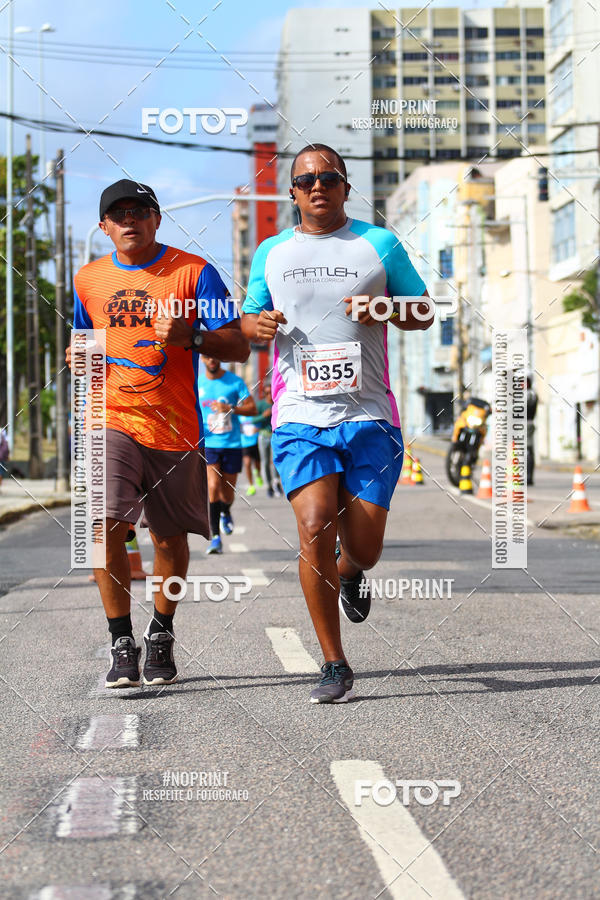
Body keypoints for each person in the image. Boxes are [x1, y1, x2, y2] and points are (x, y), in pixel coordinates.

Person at [241, 144, 433, 704]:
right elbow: (249, 320)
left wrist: (383, 308)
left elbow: (424, 310)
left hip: (370, 415)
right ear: (293, 193)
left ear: (346, 186)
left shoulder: (379, 243)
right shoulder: (272, 252)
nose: (317, 187)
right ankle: (333, 661)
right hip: (300, 415)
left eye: (329, 178)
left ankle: (351, 572)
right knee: (314, 525)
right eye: (306, 180)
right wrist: (259, 324)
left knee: (365, 547)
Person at [69, 179, 249, 689]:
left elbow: (238, 346)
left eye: (139, 210)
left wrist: (192, 336)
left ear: (156, 219)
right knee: (101, 525)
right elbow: (85, 346)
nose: (129, 219)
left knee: (168, 538)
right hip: (110, 418)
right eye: (118, 213)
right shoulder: (88, 279)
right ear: (104, 226)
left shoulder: (195, 272)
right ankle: (121, 641)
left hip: (175, 427)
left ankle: (162, 631)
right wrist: (80, 363)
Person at [198, 357, 257, 553]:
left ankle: (225, 511)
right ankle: (215, 537)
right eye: (207, 356)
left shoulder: (234, 382)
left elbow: (252, 409)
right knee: (213, 486)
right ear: (202, 358)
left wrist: (230, 408)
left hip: (232, 444)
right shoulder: (197, 383)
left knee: (227, 493)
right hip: (209, 444)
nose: (211, 360)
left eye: (215, 356)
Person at [257, 383, 282, 497]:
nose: (269, 395)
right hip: (263, 436)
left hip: (275, 435)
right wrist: (264, 415)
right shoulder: (261, 404)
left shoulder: (278, 403)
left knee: (275, 460)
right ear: (264, 394)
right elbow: (253, 420)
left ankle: (276, 482)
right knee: (265, 462)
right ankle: (268, 485)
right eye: (266, 393)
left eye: (270, 392)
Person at [239, 408, 264, 496]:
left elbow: (260, 424)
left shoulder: (253, 414)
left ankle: (258, 475)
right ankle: (251, 485)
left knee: (257, 464)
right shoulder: (239, 416)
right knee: (247, 463)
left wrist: (256, 430)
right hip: (245, 443)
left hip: (255, 442)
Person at [526, 376, 538, 486]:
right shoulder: (531, 394)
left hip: (526, 423)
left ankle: (528, 476)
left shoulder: (529, 394)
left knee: (528, 450)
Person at [0, 428, 9, 492]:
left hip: (1, 457)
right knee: (0, 473)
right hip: (1, 458)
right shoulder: (3, 436)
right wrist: (6, 456)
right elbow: (6, 448)